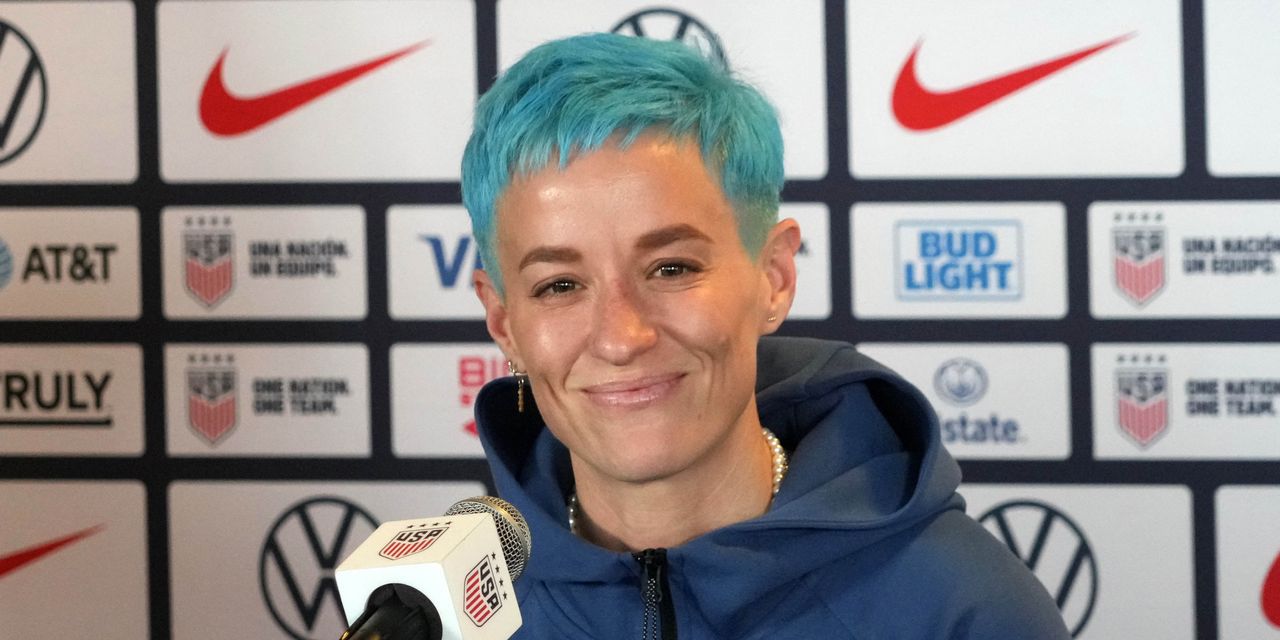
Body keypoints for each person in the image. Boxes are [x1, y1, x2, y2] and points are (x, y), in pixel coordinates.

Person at [462, 32, 1070, 639]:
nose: (621, 338)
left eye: (671, 269)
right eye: (560, 285)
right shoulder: (442, 614)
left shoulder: (961, 609)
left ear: (774, 278)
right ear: (504, 323)